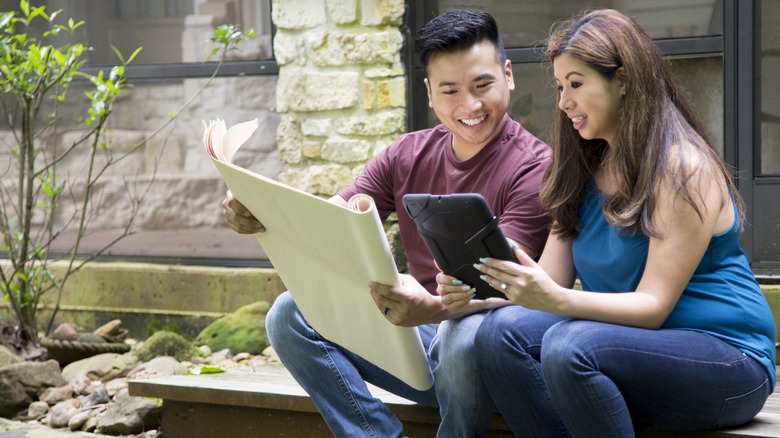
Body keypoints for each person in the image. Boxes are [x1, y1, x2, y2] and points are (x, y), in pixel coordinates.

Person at [438, 8, 776, 437]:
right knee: (499, 333)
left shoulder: (682, 169)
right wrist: (477, 290)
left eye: (576, 85)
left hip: (726, 361)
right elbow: (549, 280)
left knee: (569, 346)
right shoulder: (581, 167)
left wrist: (555, 301)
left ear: (625, 82)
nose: (563, 102)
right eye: (560, 86)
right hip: (622, 350)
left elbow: (652, 308)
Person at [222, 10, 552, 438]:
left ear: (508, 76)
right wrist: (258, 214)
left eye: (482, 85)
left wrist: (434, 307)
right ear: (429, 93)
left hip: (490, 357)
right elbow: (326, 224)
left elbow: (504, 284)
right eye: (450, 90)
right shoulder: (407, 154)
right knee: (288, 313)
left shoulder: (535, 166)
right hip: (417, 340)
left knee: (460, 334)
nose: (470, 106)